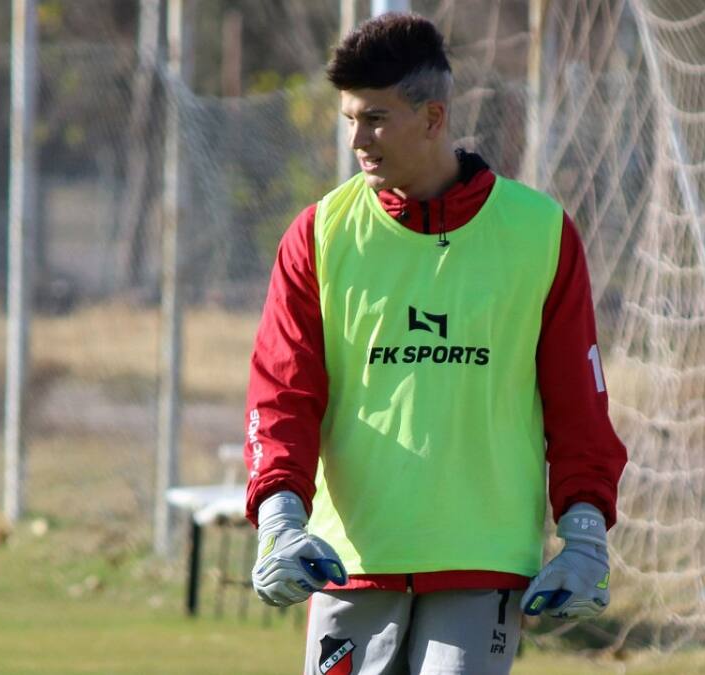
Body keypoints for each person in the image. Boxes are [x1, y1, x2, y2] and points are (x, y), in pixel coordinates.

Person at [242, 12, 628, 675]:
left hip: (481, 564)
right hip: (349, 562)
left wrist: (585, 530)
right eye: (351, 121)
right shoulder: (320, 235)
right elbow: (283, 393)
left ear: (433, 117)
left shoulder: (539, 233)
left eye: (376, 119)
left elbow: (578, 404)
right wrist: (280, 515)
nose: (358, 140)